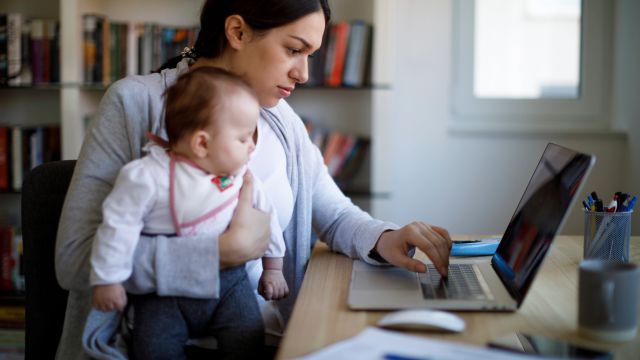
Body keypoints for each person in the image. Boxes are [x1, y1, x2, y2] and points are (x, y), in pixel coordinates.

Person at [55, 0, 453, 358]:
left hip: (270, 337)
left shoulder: (281, 120)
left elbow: (333, 214)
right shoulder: (135, 103)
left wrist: (387, 239)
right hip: (161, 342)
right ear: (238, 32)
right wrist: (220, 253)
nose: (303, 73)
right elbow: (74, 261)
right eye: (294, 50)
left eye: (311, 55)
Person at [88, 67, 288, 358]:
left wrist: (274, 268)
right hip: (163, 292)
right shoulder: (148, 176)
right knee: (154, 348)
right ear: (202, 143)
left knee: (247, 336)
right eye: (244, 138)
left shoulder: (242, 177)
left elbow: (267, 217)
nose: (252, 146)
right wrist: (108, 279)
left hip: (230, 284)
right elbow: (117, 227)